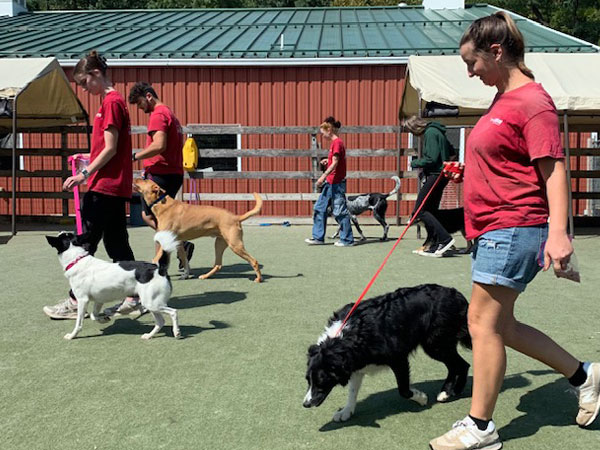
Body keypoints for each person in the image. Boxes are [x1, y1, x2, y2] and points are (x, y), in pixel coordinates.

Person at [429, 12, 599, 450]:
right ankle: (585, 375)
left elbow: (553, 169)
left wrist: (558, 233)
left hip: (514, 226)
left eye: (473, 63)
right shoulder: (503, 100)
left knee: (481, 323)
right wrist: (467, 170)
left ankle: (480, 427)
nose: (470, 72)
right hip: (493, 227)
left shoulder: (532, 102)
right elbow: (509, 159)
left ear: (497, 52)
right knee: (502, 326)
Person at [43, 50, 139, 319]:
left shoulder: (111, 103)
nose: (85, 89)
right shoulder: (114, 101)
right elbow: (108, 150)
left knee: (85, 243)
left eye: (85, 83)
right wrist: (88, 158)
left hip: (104, 186)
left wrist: (84, 174)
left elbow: (110, 148)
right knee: (117, 244)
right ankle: (135, 295)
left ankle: (76, 302)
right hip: (113, 185)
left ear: (96, 74)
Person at [127, 82, 193, 271]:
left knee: (157, 219)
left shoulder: (158, 115)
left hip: (162, 174)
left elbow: (159, 145)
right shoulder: (169, 113)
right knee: (151, 217)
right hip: (170, 172)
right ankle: (179, 246)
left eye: (140, 103)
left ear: (148, 96)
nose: (140, 109)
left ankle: (160, 265)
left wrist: (135, 156)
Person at [404, 116, 457, 257]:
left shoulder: (430, 133)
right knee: (431, 211)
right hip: (442, 175)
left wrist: (415, 163)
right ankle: (433, 243)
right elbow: (452, 153)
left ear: (415, 128)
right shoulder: (437, 131)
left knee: (419, 211)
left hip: (435, 175)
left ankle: (445, 239)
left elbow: (431, 159)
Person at [305, 117, 354, 247]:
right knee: (319, 208)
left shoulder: (337, 143)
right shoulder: (334, 144)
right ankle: (318, 237)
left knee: (339, 211)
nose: (323, 136)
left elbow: (336, 163)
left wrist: (322, 176)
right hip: (330, 182)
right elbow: (334, 160)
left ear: (329, 130)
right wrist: (328, 160)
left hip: (336, 183)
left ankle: (347, 239)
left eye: (323, 133)